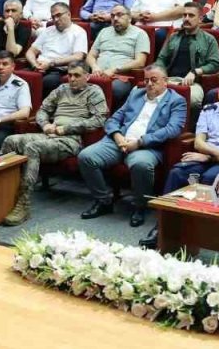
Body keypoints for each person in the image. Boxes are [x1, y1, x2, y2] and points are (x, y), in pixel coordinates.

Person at [77, 64, 187, 232]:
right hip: (118, 141)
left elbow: (173, 129)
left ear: (165, 81)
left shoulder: (176, 100)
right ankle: (104, 201)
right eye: (146, 80)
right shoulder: (136, 94)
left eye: (154, 80)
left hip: (146, 147)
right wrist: (117, 136)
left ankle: (140, 207)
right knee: (86, 156)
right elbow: (113, 119)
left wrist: (140, 142)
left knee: (141, 165)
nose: (149, 84)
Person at [0, 61, 109, 227]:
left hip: (70, 140)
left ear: (87, 76)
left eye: (77, 75)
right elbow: (42, 110)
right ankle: (4, 196)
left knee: (32, 148)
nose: (72, 79)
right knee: (10, 140)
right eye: (70, 75)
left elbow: (99, 120)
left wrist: (65, 129)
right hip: (48, 134)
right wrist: (45, 124)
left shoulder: (94, 92)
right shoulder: (61, 89)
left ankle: (24, 204)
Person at [155, 3, 219, 111]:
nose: (186, 18)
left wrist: (196, 72)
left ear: (200, 19)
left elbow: (215, 64)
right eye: (184, 15)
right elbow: (161, 59)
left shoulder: (209, 39)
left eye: (191, 15)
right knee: (140, 91)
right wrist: (161, 74)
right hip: (168, 80)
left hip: (192, 84)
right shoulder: (173, 37)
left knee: (193, 99)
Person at [85, 5, 150, 105]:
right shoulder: (104, 31)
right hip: (97, 74)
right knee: (76, 83)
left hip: (119, 77)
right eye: (112, 16)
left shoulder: (140, 34)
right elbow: (91, 56)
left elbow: (140, 62)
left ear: (129, 18)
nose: (115, 18)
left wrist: (115, 69)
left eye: (119, 15)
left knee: (114, 89)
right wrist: (94, 67)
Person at [26, 3, 89, 94]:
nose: (55, 19)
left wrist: (51, 64)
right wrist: (34, 64)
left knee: (48, 82)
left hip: (58, 69)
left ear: (69, 14)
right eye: (53, 16)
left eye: (58, 15)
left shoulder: (79, 32)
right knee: (18, 78)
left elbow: (78, 57)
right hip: (38, 67)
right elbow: (30, 51)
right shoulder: (47, 31)